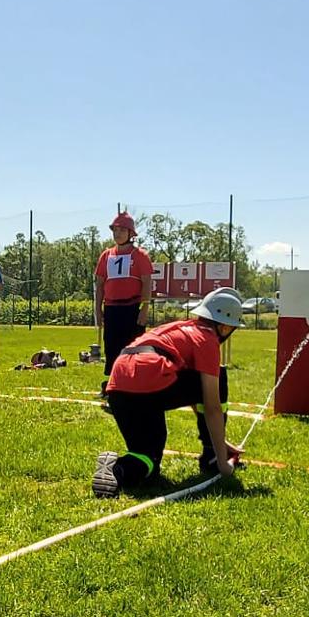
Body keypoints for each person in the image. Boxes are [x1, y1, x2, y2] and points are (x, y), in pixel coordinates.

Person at [92, 287, 246, 498]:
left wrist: (222, 442)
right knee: (219, 379)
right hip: (148, 384)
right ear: (226, 326)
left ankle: (117, 469)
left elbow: (193, 391)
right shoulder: (207, 340)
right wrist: (222, 462)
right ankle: (211, 457)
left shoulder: (179, 328)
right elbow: (211, 406)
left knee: (146, 458)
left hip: (119, 386)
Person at [94, 212, 154, 377]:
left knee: (134, 347)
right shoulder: (106, 256)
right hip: (112, 309)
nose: (117, 234)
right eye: (115, 230)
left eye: (121, 230)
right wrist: (98, 310)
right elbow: (99, 286)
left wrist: (145, 308)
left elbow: (147, 282)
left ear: (130, 233)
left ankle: (134, 383)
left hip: (132, 309)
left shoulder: (140, 255)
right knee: (111, 347)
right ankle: (112, 384)